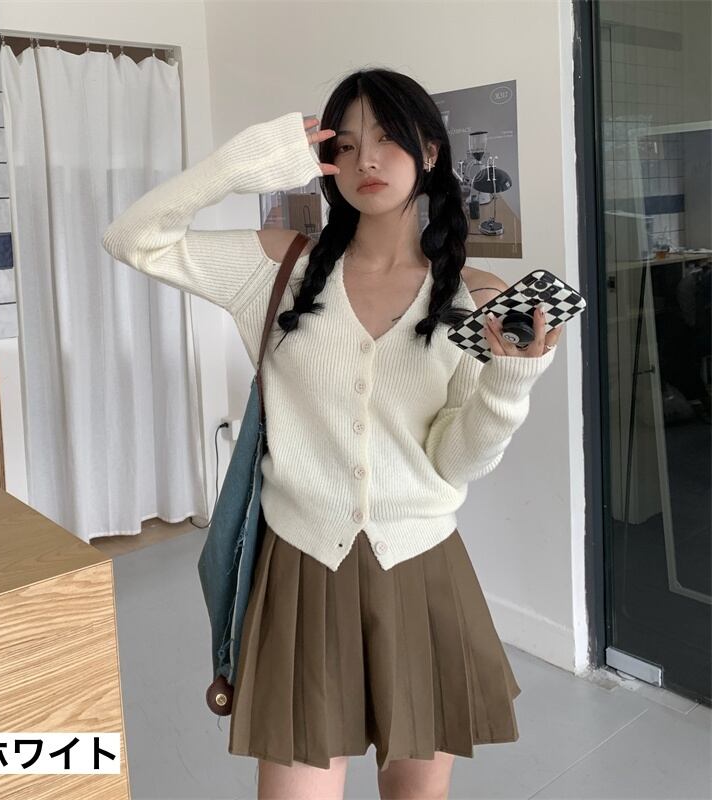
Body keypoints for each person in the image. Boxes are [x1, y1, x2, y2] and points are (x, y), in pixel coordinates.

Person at [103, 67, 562, 800]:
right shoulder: (278, 268)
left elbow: (454, 461)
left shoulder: (473, 295)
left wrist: (509, 387)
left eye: (386, 139)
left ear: (431, 152)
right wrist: (238, 165)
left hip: (420, 569)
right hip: (301, 570)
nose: (365, 161)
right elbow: (131, 238)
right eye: (344, 146)